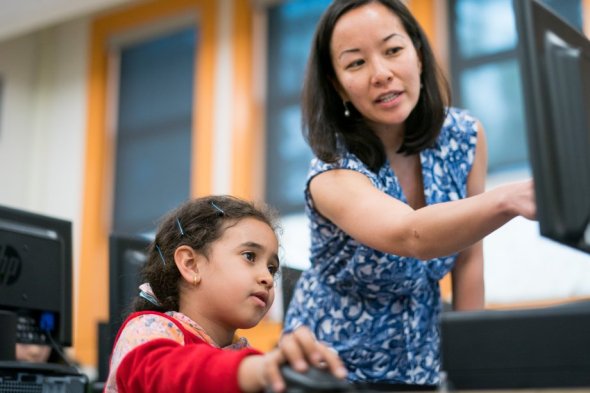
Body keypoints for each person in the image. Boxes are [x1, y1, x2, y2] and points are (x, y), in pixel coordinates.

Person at [283, 0, 536, 388]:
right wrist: (506, 200)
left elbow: (468, 258)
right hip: (330, 371)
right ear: (338, 87)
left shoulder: (463, 136)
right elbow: (411, 235)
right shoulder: (332, 170)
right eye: (356, 63)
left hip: (422, 367)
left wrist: (475, 371)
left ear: (418, 55)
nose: (381, 74)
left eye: (393, 50)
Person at [103, 195, 347, 393]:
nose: (268, 278)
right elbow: (168, 375)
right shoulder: (148, 331)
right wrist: (261, 371)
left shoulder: (242, 356)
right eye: (249, 256)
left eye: (272, 268)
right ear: (191, 264)